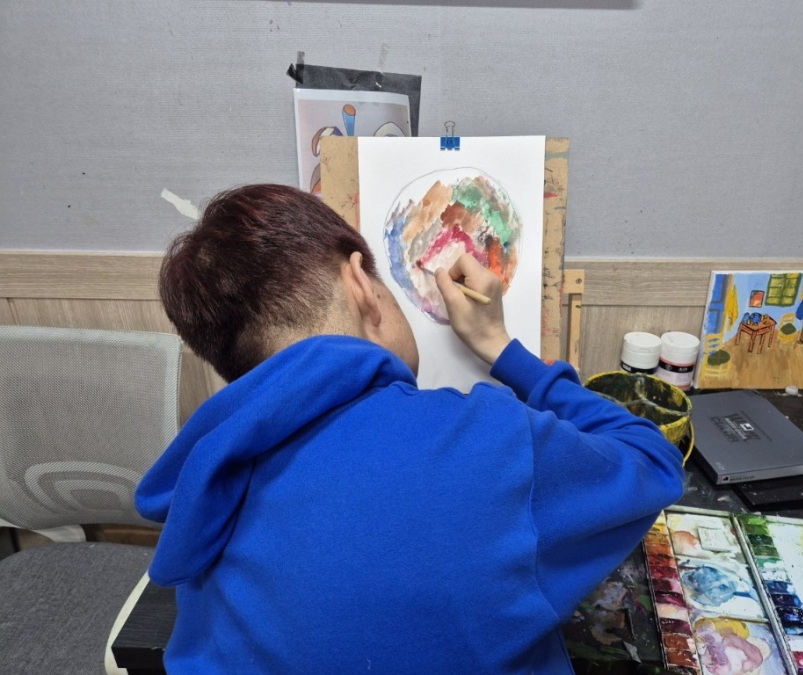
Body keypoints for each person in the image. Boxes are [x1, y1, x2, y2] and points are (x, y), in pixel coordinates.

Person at [135, 183, 685, 674]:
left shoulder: (205, 475)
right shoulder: (487, 443)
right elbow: (653, 461)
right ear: (360, 283)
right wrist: (501, 348)